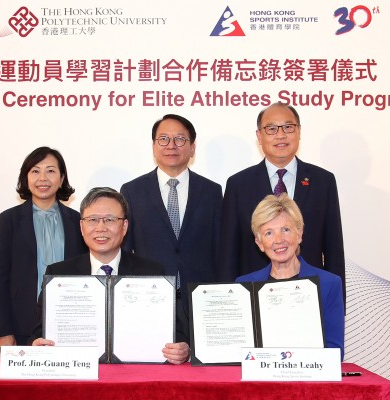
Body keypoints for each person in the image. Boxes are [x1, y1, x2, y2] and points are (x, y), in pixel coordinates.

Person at [30, 187, 191, 364]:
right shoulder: (58, 274)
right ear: (81, 227)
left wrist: (182, 349)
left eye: (110, 220)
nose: (101, 228)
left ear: (124, 227)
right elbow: (39, 333)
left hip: (134, 376)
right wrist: (37, 346)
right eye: (92, 220)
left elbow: (176, 333)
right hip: (79, 376)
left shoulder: (151, 273)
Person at [218, 103, 345, 299]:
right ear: (259, 136)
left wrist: (336, 301)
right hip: (254, 294)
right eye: (271, 129)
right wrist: (229, 302)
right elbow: (228, 254)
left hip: (310, 294)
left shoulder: (323, 181)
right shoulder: (238, 184)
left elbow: (334, 249)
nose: (280, 135)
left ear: (299, 132)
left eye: (288, 127)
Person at [120, 114, 222, 322]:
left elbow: (220, 249)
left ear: (192, 147)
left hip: (200, 300)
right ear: (154, 146)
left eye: (180, 139)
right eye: (164, 139)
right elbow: (124, 251)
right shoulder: (132, 191)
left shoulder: (212, 191)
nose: (171, 145)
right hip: (149, 299)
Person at [0, 147, 87, 348]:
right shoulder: (10, 220)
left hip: (71, 323)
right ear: (26, 178)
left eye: (50, 171)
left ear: (61, 179)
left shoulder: (77, 221)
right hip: (22, 323)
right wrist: (3, 331)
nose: (42, 178)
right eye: (35, 171)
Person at [236, 193, 344, 359]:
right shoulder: (244, 286)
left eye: (285, 230)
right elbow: (239, 349)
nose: (279, 240)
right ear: (259, 243)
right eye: (269, 233)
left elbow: (335, 351)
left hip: (309, 381)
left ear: (299, 234)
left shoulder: (329, 283)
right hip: (260, 381)